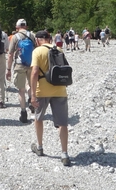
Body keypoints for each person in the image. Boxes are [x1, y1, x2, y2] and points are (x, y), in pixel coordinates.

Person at [30, 30, 71, 166]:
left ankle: (40, 147)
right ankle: (64, 153)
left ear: (37, 40)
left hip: (42, 90)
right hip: (60, 89)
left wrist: (32, 94)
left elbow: (35, 72)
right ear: (49, 39)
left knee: (39, 118)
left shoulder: (37, 51)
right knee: (62, 123)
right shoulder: (59, 49)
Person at [6, 18, 36, 123]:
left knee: (21, 90)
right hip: (31, 65)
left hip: (19, 65)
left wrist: (8, 69)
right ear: (26, 26)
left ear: (17, 27)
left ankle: (23, 113)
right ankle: (32, 103)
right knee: (31, 86)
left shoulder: (15, 37)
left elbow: (10, 54)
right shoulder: (32, 35)